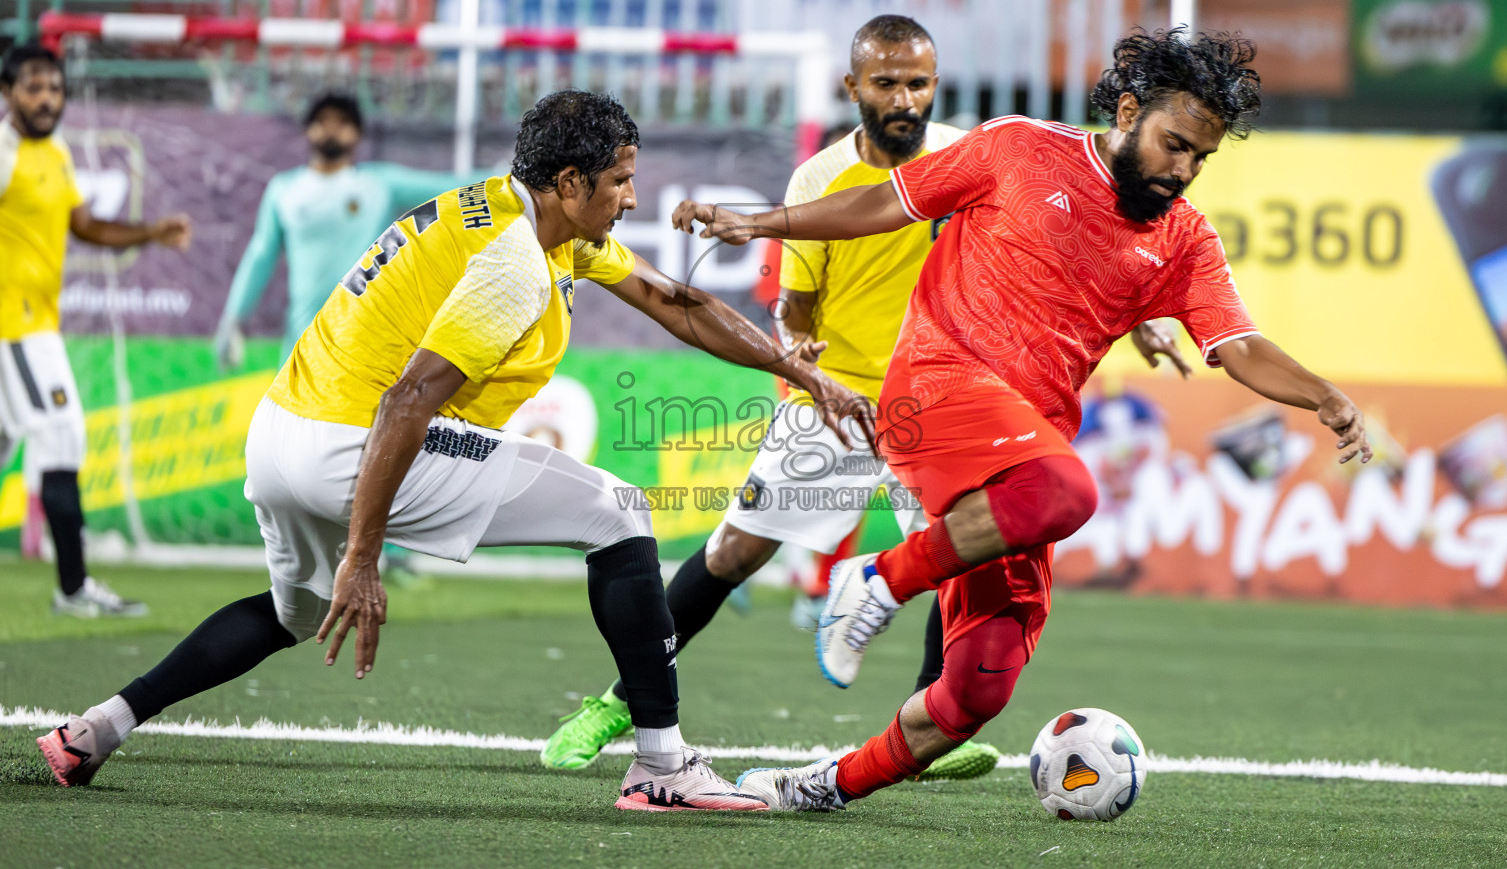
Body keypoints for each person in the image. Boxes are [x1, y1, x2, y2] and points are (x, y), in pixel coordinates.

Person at [36, 90, 866, 812]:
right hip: (356, 445)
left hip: (281, 434)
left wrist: (797, 370)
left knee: (291, 611)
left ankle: (95, 728)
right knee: (620, 512)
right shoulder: (511, 265)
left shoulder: (527, 216)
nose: (632, 198)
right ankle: (661, 767)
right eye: (619, 182)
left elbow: (674, 303)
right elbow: (409, 399)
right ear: (572, 183)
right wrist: (365, 553)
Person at [672, 28, 1373, 811]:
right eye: (1175, 144)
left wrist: (1324, 394)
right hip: (938, 389)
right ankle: (873, 580)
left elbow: (1237, 345)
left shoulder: (1183, 241)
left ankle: (819, 786)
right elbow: (886, 202)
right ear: (1130, 110)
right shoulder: (1014, 149)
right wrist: (762, 224)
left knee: (975, 692)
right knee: (1071, 492)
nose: (1183, 170)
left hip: (1018, 462)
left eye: (1200, 158)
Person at [541, 15, 1190, 784]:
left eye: (918, 82)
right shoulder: (818, 181)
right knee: (736, 550)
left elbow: (1076, 248)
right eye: (886, 82)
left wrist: (1145, 321)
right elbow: (796, 301)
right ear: (854, 88)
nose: (904, 97)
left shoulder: (970, 154)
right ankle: (622, 699)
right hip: (840, 397)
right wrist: (797, 347)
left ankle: (929, 720)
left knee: (964, 553)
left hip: (952, 399)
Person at [0, 41, 192, 617]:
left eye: (54, 88)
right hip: (16, 326)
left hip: (35, 323)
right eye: (33, 87)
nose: (46, 98)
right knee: (61, 435)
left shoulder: (53, 151)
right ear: (8, 92)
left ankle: (74, 587)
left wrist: (150, 232)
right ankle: (74, 587)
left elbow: (82, 225)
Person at [214, 92, 480, 369]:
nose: (331, 128)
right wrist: (233, 317)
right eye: (322, 120)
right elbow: (260, 255)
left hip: (368, 343)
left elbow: (452, 187)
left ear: (357, 133)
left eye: (342, 121)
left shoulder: (378, 184)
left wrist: (513, 175)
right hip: (302, 344)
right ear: (308, 129)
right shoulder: (284, 190)